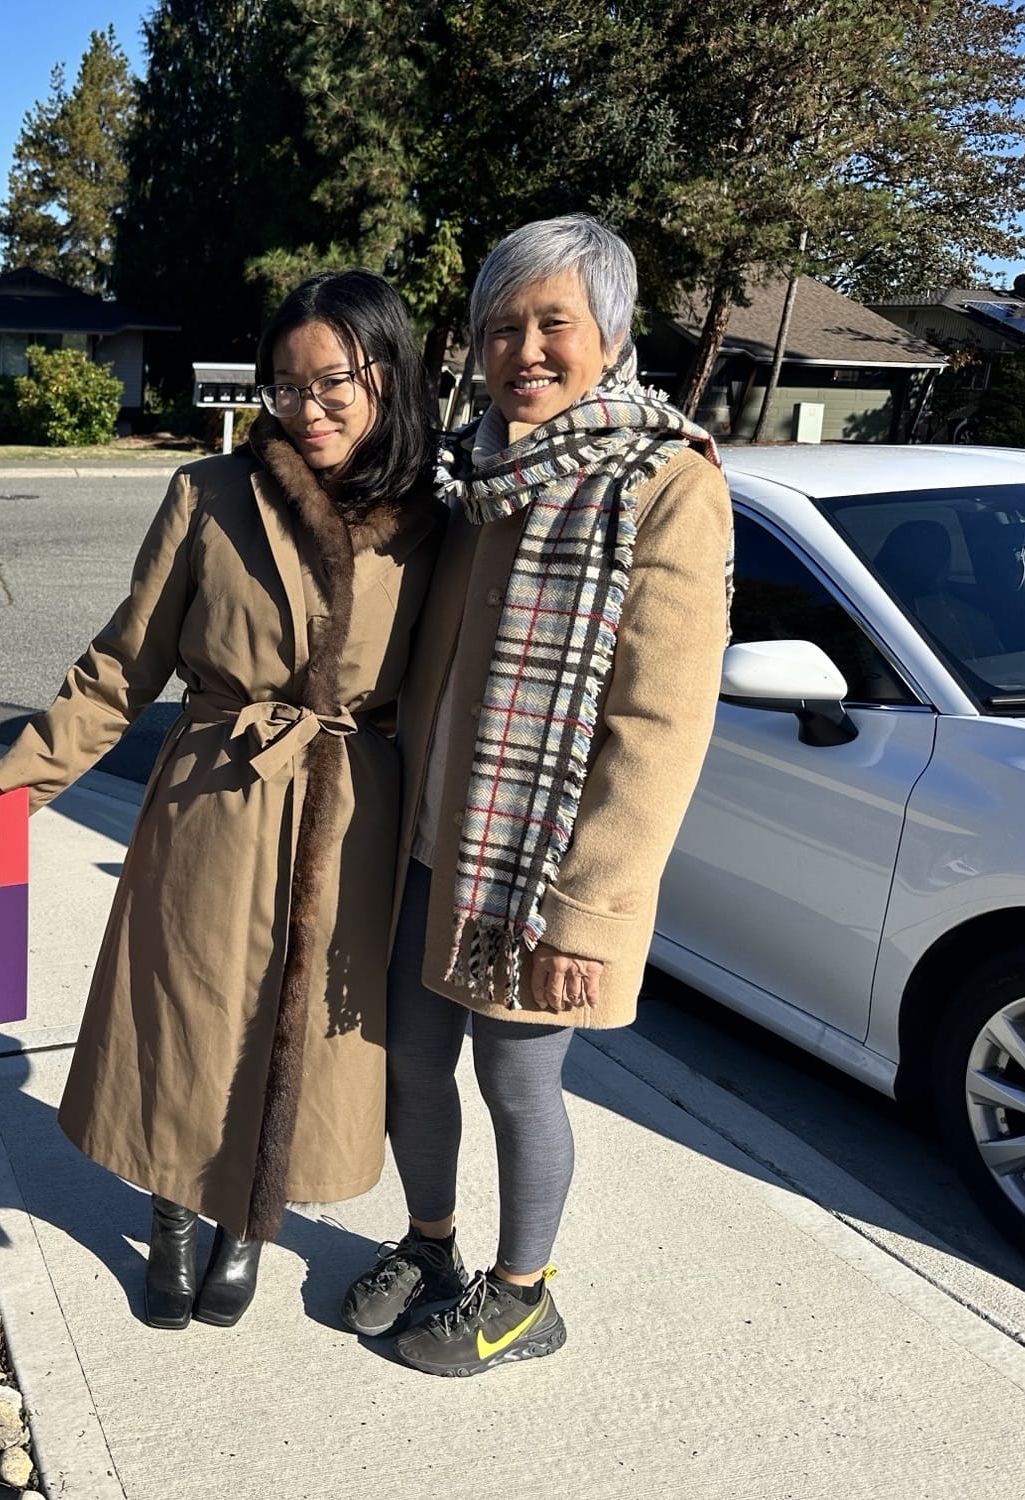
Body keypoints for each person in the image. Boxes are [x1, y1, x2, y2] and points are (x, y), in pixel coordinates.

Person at [0, 271, 438, 1329]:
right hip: (212, 793)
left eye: (331, 382)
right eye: (283, 386)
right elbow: (122, 663)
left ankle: (249, 1221)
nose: (306, 408)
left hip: (348, 812)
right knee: (186, 1013)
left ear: (387, 375)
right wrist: (13, 792)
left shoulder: (433, 518)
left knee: (301, 1032)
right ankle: (175, 1213)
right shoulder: (208, 492)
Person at [339, 215, 732, 1375]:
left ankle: (522, 1296)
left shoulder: (663, 482)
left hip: (543, 868)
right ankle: (429, 1247)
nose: (524, 349)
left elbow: (659, 727)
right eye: (500, 325)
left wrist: (591, 911)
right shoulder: (474, 475)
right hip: (431, 847)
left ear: (608, 336)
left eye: (551, 322)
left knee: (517, 1080)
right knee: (410, 1063)